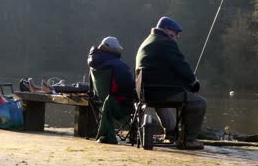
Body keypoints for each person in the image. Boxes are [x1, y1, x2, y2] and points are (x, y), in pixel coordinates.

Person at [135, 16, 206, 150]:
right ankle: (188, 140)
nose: (177, 37)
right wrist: (193, 82)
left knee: (161, 104)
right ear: (167, 30)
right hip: (162, 91)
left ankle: (171, 133)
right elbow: (182, 67)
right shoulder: (166, 43)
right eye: (176, 33)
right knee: (199, 103)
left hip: (145, 92)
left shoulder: (147, 42)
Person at [88, 36, 135, 144]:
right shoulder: (119, 65)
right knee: (135, 101)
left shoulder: (93, 63)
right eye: (117, 48)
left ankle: (101, 131)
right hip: (116, 104)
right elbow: (128, 87)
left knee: (110, 99)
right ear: (112, 49)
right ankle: (135, 133)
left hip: (98, 100)